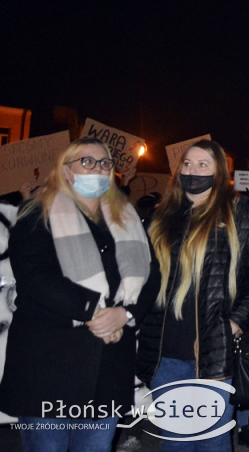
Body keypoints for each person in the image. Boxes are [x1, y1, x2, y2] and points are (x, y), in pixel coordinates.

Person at [0, 138, 158, 451]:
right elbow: (34, 275)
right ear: (67, 170)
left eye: (104, 163)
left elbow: (152, 274)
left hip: (107, 368)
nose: (97, 168)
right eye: (87, 161)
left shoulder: (125, 216)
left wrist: (125, 314)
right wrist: (93, 310)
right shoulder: (37, 211)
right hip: (49, 366)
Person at [136, 140, 249, 452]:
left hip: (213, 351)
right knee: (175, 442)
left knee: (213, 440)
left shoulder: (242, 213)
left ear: (219, 173)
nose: (193, 171)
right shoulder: (161, 216)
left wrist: (237, 322)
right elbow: (142, 275)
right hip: (165, 354)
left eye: (203, 165)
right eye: (187, 164)